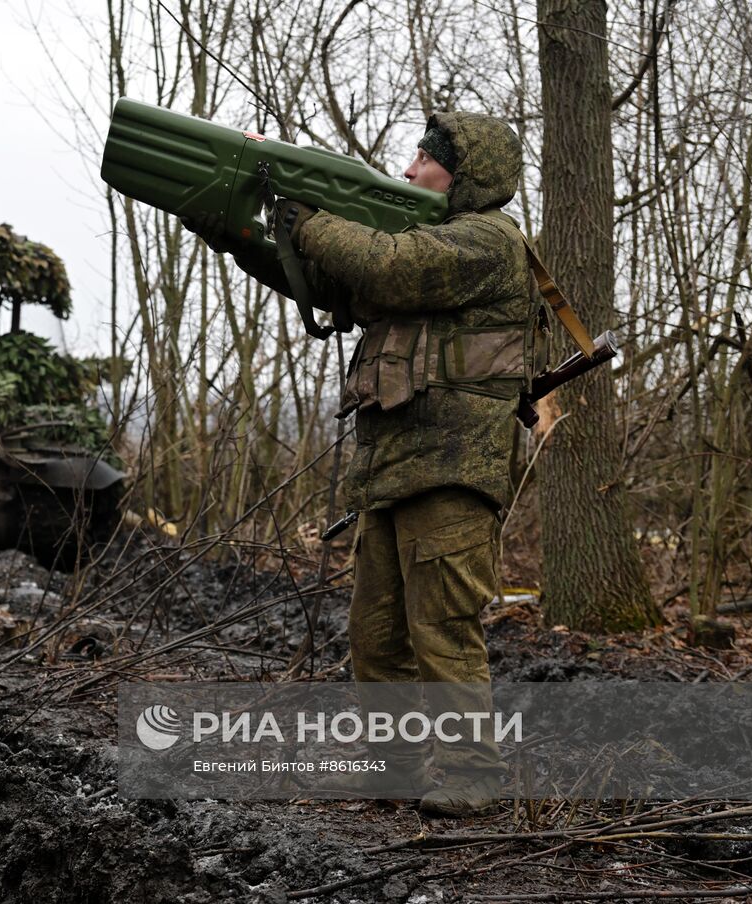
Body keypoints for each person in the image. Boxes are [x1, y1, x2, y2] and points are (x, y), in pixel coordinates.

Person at [186, 112, 545, 817]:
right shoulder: (422, 250)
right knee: (376, 633)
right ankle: (393, 766)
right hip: (394, 469)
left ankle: (473, 773)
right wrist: (231, 231)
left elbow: (385, 263)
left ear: (464, 176)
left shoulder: (487, 243)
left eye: (425, 159)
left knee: (442, 627)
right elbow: (327, 280)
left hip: (452, 468)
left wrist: (311, 216)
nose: (409, 169)